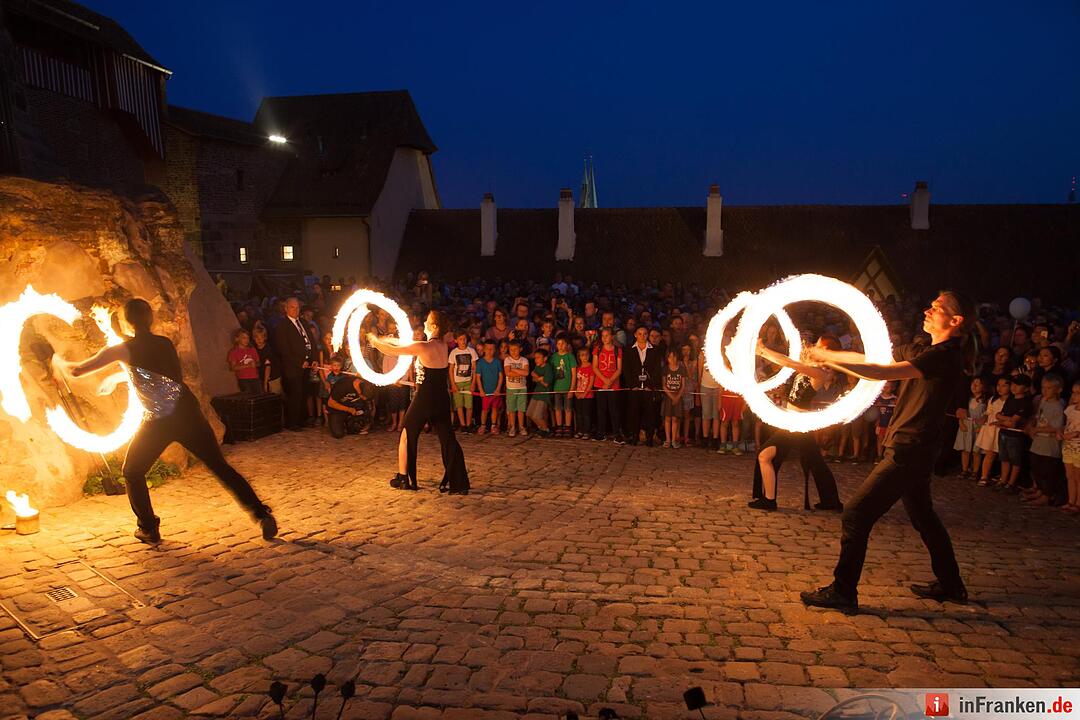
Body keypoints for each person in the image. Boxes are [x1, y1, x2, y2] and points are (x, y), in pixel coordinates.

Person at [800, 291, 975, 612]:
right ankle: (951, 585)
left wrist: (830, 359)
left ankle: (844, 591)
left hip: (911, 449)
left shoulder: (945, 356)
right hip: (913, 447)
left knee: (855, 513)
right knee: (924, 517)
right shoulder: (924, 348)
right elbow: (871, 359)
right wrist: (827, 355)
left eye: (937, 308)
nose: (927, 309)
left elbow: (881, 374)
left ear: (955, 321)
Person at [67, 299, 276, 544]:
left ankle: (148, 528)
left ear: (126, 321)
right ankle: (261, 515)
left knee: (132, 472)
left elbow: (78, 370)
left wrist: (58, 363)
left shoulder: (123, 349)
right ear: (150, 319)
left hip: (157, 422)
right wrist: (116, 379)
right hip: (188, 414)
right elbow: (154, 373)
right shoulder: (165, 344)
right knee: (220, 466)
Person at [368, 311, 469, 494]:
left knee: (407, 433)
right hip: (441, 399)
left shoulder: (423, 347)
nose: (424, 321)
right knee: (448, 440)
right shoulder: (443, 346)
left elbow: (394, 351)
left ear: (435, 327)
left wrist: (375, 342)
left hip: (424, 399)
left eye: (428, 321)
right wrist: (386, 338)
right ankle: (459, 482)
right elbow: (403, 344)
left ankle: (404, 477)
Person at [750, 336, 844, 511]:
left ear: (826, 351)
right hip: (794, 421)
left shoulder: (821, 373)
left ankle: (769, 500)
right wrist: (761, 350)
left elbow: (789, 363)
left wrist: (763, 349)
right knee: (815, 462)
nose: (814, 346)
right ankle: (830, 500)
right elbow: (788, 360)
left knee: (764, 455)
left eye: (818, 344)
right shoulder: (812, 366)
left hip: (796, 424)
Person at [1021, 375, 1065, 506]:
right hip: (1038, 443)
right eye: (1043, 388)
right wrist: (1031, 426)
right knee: (1037, 468)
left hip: (1049, 446)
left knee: (1047, 471)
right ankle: (1040, 490)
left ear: (1058, 390)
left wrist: (1037, 430)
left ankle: (1047, 494)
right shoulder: (1043, 402)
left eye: (1049, 388)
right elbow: (1038, 416)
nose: (1045, 391)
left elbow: (1056, 427)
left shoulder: (1058, 407)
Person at [272, 297, 316, 431]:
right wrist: (298, 362)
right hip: (292, 367)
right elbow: (283, 349)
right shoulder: (282, 326)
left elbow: (311, 341)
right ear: (286, 308)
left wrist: (313, 358)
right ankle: (292, 422)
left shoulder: (302, 322)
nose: (296, 310)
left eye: (297, 307)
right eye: (292, 307)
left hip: (306, 365)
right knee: (295, 394)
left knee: (303, 392)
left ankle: (301, 419)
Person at [623, 327, 662, 446]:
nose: (642, 336)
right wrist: (632, 385)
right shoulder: (629, 350)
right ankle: (634, 436)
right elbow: (626, 369)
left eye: (645, 334)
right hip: (635, 388)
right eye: (640, 334)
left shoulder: (654, 350)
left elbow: (657, 369)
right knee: (634, 413)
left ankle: (649, 438)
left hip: (648, 388)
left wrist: (651, 385)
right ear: (635, 335)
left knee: (650, 413)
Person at [994, 375, 1033, 492]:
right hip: (1004, 432)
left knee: (1015, 460)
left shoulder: (1025, 402)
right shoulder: (1010, 400)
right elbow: (998, 415)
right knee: (1004, 458)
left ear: (1026, 388)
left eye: (1018, 385)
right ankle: (1003, 480)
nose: (1014, 387)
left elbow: (1014, 421)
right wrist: (1006, 419)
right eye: (1013, 384)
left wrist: (1004, 419)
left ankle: (1011, 483)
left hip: (1016, 436)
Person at [976, 377, 1011, 486]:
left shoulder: (1011, 401)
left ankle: (1002, 478)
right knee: (989, 454)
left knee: (1004, 456)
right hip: (991, 430)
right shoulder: (993, 399)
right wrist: (983, 418)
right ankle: (984, 476)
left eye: (1004, 385)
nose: (1000, 388)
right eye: (998, 385)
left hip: (1002, 430)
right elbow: (988, 412)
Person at [593, 328, 625, 444]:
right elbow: (595, 367)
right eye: (603, 336)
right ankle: (601, 432)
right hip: (600, 383)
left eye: (607, 335)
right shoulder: (598, 349)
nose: (604, 338)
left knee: (614, 409)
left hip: (613, 384)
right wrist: (604, 380)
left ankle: (616, 433)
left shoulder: (617, 350)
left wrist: (610, 381)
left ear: (612, 336)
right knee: (601, 409)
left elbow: (619, 369)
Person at [953, 377, 988, 478]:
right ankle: (964, 470)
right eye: (973, 383)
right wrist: (961, 422)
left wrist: (981, 426)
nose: (974, 386)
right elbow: (962, 412)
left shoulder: (985, 401)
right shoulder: (967, 398)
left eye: (978, 383)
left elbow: (986, 415)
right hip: (966, 425)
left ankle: (975, 471)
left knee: (976, 451)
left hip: (978, 426)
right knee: (965, 449)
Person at [326, 371, 373, 439]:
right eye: (362, 395)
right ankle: (342, 423)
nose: (361, 397)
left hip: (354, 406)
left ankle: (353, 426)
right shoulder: (343, 385)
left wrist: (368, 419)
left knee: (358, 425)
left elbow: (369, 403)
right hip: (338, 408)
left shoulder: (366, 384)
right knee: (338, 434)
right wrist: (349, 409)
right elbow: (331, 403)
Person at [448, 331, 478, 433]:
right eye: (460, 339)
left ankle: (469, 424)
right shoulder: (453, 353)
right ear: (456, 340)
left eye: (464, 339)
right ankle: (463, 424)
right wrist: (453, 384)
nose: (463, 341)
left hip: (468, 381)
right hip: (457, 382)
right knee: (459, 405)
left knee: (469, 405)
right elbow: (451, 369)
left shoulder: (472, 351)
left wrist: (473, 383)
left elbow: (474, 368)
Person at [474, 339, 504, 434]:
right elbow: (478, 377)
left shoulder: (497, 362)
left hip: (495, 392)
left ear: (495, 350)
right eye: (488, 349)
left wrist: (498, 389)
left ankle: (493, 425)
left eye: (492, 349)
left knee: (495, 409)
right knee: (485, 410)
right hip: (486, 392)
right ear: (484, 349)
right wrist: (481, 390)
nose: (490, 351)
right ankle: (483, 426)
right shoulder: (481, 363)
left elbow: (500, 376)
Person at [550, 335, 577, 437]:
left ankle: (568, 427)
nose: (561, 346)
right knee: (557, 408)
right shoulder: (554, 357)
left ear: (567, 345)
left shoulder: (570, 357)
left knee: (568, 408)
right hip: (557, 388)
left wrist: (572, 389)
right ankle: (559, 426)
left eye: (563, 344)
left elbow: (574, 374)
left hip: (568, 388)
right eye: (559, 344)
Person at [504, 339, 530, 437]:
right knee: (511, 409)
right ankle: (512, 427)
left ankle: (521, 426)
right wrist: (520, 371)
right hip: (511, 388)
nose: (514, 351)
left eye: (516, 349)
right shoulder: (507, 360)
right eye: (511, 349)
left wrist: (514, 369)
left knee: (521, 409)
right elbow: (507, 373)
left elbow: (526, 373)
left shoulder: (524, 360)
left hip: (522, 388)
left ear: (520, 349)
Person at [660, 350, 686, 448]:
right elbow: (664, 385)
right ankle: (667, 439)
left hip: (678, 396)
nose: (672, 359)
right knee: (667, 418)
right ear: (667, 358)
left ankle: (674, 439)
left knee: (675, 419)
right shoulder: (665, 369)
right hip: (668, 397)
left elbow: (683, 386)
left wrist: (678, 397)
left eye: (674, 357)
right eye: (670, 357)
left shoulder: (681, 369)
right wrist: (672, 396)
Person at [1062, 381, 1080, 514]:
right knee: (1069, 475)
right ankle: (1071, 500)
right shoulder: (1070, 409)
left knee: (1078, 476)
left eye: (1078, 393)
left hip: (1078, 447)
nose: (1075, 396)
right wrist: (1060, 432)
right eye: (1073, 393)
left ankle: (1078, 503)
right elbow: (1066, 425)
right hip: (1068, 446)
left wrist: (1077, 433)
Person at [527, 348, 554, 436]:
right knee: (529, 413)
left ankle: (546, 430)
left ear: (545, 358)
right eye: (535, 358)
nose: (536, 360)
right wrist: (539, 378)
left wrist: (538, 378)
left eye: (538, 358)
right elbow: (533, 379)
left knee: (537, 415)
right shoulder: (537, 366)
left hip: (544, 394)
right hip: (537, 392)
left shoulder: (548, 368)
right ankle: (541, 428)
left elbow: (546, 383)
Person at [228, 329, 261, 394]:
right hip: (243, 379)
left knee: (258, 396)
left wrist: (255, 364)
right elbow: (232, 368)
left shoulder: (252, 350)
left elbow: (259, 363)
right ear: (237, 339)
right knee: (248, 397)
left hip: (255, 378)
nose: (246, 340)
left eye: (248, 338)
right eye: (244, 338)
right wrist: (247, 365)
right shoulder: (234, 352)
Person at [573, 347, 596, 439]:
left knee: (586, 414)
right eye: (582, 355)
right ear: (579, 357)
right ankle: (580, 430)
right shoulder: (578, 368)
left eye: (586, 355)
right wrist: (576, 392)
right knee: (579, 414)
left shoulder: (591, 367)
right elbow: (576, 380)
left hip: (588, 395)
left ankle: (587, 431)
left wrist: (584, 394)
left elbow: (591, 382)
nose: (584, 357)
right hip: (578, 394)